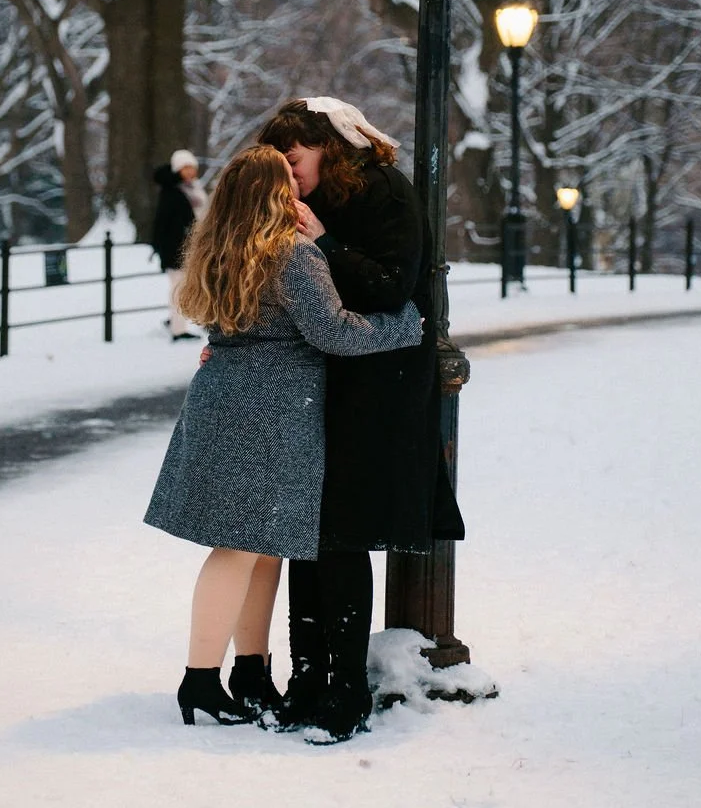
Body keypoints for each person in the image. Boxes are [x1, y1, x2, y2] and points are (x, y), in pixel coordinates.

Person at [143, 144, 423, 731]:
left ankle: (250, 670)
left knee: (261, 548)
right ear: (276, 191)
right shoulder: (290, 252)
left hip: (223, 393)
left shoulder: (218, 246)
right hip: (272, 408)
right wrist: (404, 326)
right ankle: (200, 680)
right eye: (288, 181)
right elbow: (333, 332)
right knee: (241, 547)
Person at [257, 97, 465, 741]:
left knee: (341, 532)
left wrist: (323, 242)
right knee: (307, 535)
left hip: (379, 381)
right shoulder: (306, 201)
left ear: (328, 147)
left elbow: (390, 287)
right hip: (325, 379)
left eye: (294, 161)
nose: (288, 177)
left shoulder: (383, 193)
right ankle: (307, 680)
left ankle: (345, 692)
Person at [151, 149, 207, 340]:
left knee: (188, 287)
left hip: (192, 248)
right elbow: (165, 223)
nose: (191, 171)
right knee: (178, 288)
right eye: (186, 168)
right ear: (177, 169)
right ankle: (178, 328)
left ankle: (176, 320)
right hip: (176, 249)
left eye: (192, 167)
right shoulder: (172, 192)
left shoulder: (192, 188)